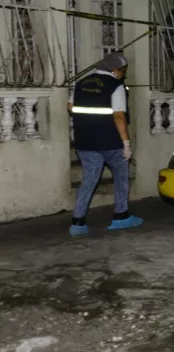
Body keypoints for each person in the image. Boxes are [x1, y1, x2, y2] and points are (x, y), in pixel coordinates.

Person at [67, 52, 142, 237]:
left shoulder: (81, 83)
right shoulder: (115, 85)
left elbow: (70, 107)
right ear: (115, 70)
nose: (124, 74)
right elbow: (119, 116)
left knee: (89, 181)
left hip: (85, 141)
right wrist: (126, 144)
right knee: (121, 178)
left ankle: (78, 222)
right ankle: (121, 216)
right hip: (110, 142)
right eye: (123, 71)